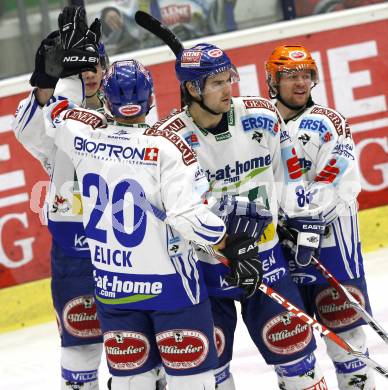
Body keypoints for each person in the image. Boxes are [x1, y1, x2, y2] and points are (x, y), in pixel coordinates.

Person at [42, 7, 264, 390]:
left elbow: (57, 111)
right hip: (172, 290)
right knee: (191, 382)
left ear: (107, 102)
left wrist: (68, 74)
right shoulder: (166, 146)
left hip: (114, 290)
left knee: (133, 384)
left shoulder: (85, 137)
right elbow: (188, 216)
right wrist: (231, 246)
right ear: (149, 101)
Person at [151, 42, 329, 389]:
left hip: (267, 261)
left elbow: (289, 174)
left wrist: (301, 219)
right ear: (191, 88)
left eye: (227, 79)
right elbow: (167, 209)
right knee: (210, 375)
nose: (227, 89)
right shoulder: (166, 140)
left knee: (299, 364)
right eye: (216, 83)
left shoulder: (263, 115)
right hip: (205, 271)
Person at [265, 44, 375, 389]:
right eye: (290, 76)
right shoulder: (259, 122)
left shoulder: (329, 122)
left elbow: (337, 182)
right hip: (281, 252)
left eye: (305, 76)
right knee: (293, 349)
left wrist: (302, 217)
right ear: (272, 80)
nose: (300, 83)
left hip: (332, 247)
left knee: (347, 344)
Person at [12, 12, 110, 390]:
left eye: (94, 64)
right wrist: (45, 83)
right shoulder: (53, 109)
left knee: (138, 353)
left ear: (105, 66)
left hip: (130, 243)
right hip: (75, 243)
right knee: (81, 346)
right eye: (79, 67)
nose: (89, 73)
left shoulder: (133, 104)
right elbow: (29, 135)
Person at [99, 0, 236, 54]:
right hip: (156, 58)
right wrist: (109, 13)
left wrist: (226, 3)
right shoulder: (137, 2)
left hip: (198, 55)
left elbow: (219, 11)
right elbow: (116, 9)